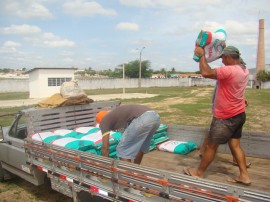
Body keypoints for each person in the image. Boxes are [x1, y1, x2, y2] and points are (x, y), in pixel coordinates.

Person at [183, 45, 251, 186]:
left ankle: (199, 172)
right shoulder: (243, 69)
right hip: (239, 114)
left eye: (222, 58)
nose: (222, 61)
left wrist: (202, 55)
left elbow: (206, 73)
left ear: (228, 57)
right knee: (235, 146)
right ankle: (244, 176)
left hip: (225, 117)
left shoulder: (229, 70)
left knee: (211, 147)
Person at [96, 104, 160, 164]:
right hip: (155, 117)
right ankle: (135, 170)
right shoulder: (115, 116)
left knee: (122, 150)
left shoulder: (104, 122)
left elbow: (105, 147)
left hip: (143, 118)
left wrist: (103, 165)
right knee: (140, 146)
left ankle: (128, 174)